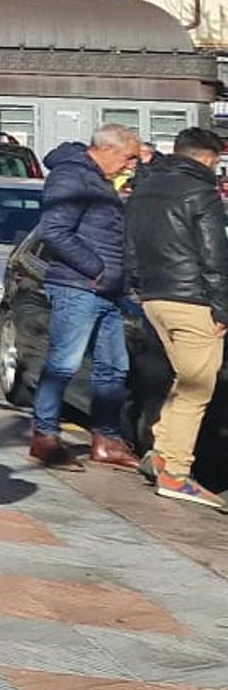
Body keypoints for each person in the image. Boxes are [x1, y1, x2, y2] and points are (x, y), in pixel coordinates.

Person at [29, 124, 142, 471]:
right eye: (129, 157)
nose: (131, 165)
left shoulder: (98, 179)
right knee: (64, 363)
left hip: (105, 289)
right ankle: (44, 436)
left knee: (114, 367)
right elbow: (55, 231)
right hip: (79, 287)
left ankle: (106, 439)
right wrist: (96, 269)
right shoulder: (72, 177)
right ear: (107, 149)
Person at [125, 127, 226, 504]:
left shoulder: (145, 189)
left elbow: (129, 248)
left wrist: (139, 286)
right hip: (193, 299)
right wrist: (222, 307)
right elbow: (214, 256)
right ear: (205, 158)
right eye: (216, 163)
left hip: (155, 297)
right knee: (197, 389)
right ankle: (177, 472)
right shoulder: (202, 193)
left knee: (184, 380)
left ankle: (161, 452)